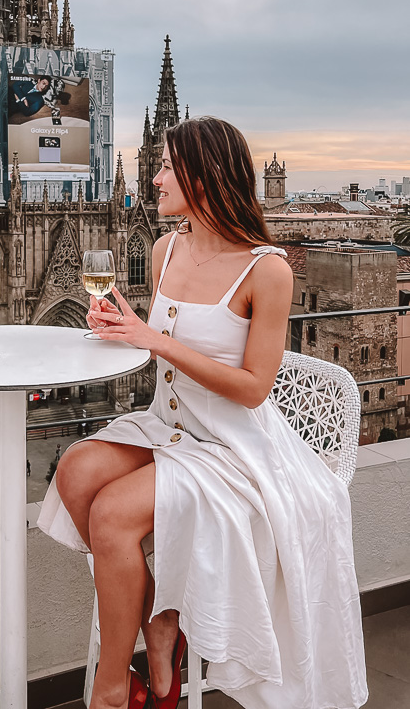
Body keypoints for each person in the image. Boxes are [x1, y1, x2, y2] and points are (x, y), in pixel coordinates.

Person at [38, 117, 367, 709]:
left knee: (112, 514)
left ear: (203, 175)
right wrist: (121, 329)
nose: (155, 178)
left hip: (230, 446)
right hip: (168, 424)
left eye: (165, 167)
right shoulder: (165, 249)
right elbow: (162, 336)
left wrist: (154, 340)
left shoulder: (267, 269)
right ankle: (161, 622)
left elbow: (252, 389)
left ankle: (119, 687)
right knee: (76, 471)